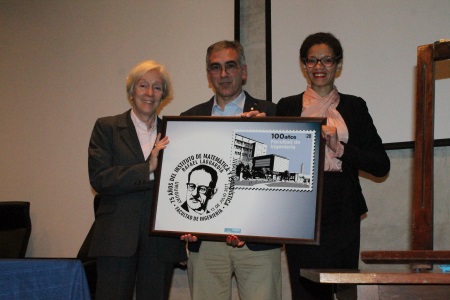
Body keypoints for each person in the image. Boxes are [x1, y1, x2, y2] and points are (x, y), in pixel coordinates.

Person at [276, 32, 390, 299]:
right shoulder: (287, 106)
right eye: (312, 60)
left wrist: (341, 148)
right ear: (303, 65)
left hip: (343, 207)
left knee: (345, 291)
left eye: (327, 60)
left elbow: (380, 165)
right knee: (306, 290)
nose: (319, 67)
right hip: (299, 207)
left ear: (339, 64)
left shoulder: (355, 106)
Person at [180, 40, 282, 300]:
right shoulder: (188, 119)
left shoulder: (271, 113)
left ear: (243, 71)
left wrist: (269, 132)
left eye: (230, 66)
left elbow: (283, 178)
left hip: (258, 240)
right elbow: (183, 178)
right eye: (216, 68)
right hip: (207, 242)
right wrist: (184, 220)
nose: (223, 74)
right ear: (208, 75)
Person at [88, 60, 187, 300]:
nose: (149, 93)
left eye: (157, 87)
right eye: (143, 85)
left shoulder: (175, 132)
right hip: (116, 237)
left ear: (164, 95)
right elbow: (100, 178)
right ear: (131, 91)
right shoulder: (107, 127)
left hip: (160, 240)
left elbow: (183, 184)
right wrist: (148, 168)